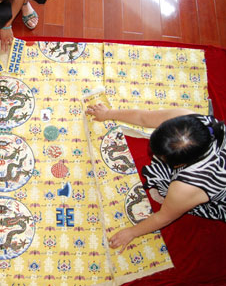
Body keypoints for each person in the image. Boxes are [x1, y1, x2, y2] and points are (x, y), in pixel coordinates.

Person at [86, 103, 226, 253]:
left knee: (167, 190)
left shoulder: (190, 185)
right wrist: (108, 113)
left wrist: (132, 232)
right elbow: (143, 117)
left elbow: (164, 217)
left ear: (180, 165)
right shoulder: (185, 121)